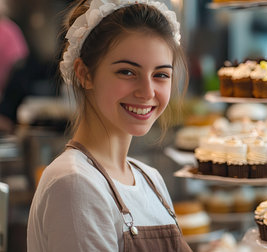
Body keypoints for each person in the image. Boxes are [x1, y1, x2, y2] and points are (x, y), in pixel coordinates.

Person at [27, 0, 191, 251]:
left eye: (161, 75)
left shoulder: (151, 179)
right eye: (127, 72)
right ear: (84, 74)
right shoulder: (75, 183)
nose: (147, 92)